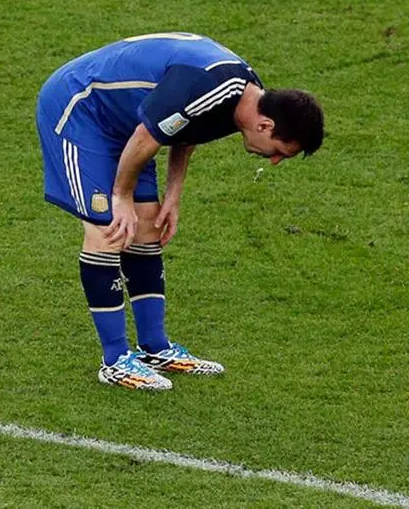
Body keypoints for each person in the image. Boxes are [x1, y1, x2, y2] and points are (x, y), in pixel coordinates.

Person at [35, 31, 324, 391]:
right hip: (81, 111)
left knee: (147, 228)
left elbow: (187, 131)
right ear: (265, 126)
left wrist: (173, 194)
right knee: (107, 228)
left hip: (127, 125)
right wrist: (121, 196)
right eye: (280, 150)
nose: (276, 161)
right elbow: (148, 136)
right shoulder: (208, 85)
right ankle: (114, 361)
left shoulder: (248, 98)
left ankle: (154, 348)